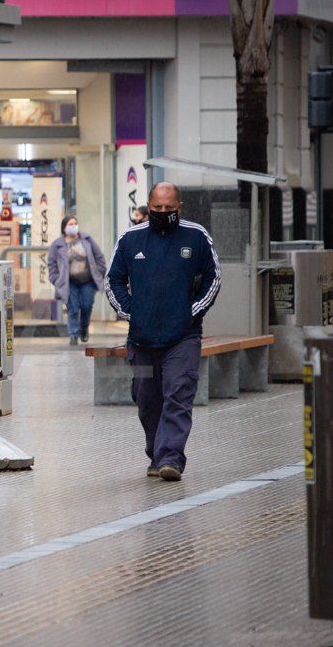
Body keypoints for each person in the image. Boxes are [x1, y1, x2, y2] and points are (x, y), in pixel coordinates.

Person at [105, 182, 221, 482]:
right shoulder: (131, 240)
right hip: (142, 341)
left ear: (179, 207)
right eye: (157, 208)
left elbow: (213, 277)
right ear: (149, 205)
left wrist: (192, 311)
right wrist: (131, 311)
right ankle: (156, 453)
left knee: (178, 392)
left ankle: (171, 457)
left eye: (169, 208)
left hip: (183, 337)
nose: (163, 212)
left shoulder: (196, 236)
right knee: (146, 399)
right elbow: (113, 280)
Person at [47, 216, 107, 345]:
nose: (73, 226)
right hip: (69, 282)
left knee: (86, 306)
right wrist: (56, 279)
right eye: (70, 224)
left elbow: (99, 257)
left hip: (88, 281)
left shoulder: (87, 240)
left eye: (75, 223)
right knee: (72, 307)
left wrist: (99, 272)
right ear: (64, 228)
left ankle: (84, 328)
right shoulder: (57, 245)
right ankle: (73, 334)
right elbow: (51, 264)